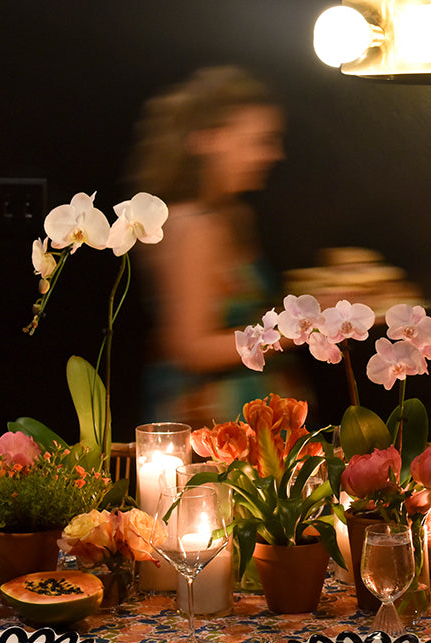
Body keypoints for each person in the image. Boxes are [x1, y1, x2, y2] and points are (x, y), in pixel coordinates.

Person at [129, 65, 310, 428]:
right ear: (208, 139)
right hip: (211, 426)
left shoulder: (234, 216)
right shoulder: (192, 227)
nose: (274, 154)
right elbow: (192, 348)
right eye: (261, 140)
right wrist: (305, 330)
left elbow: (242, 319)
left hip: (254, 421)